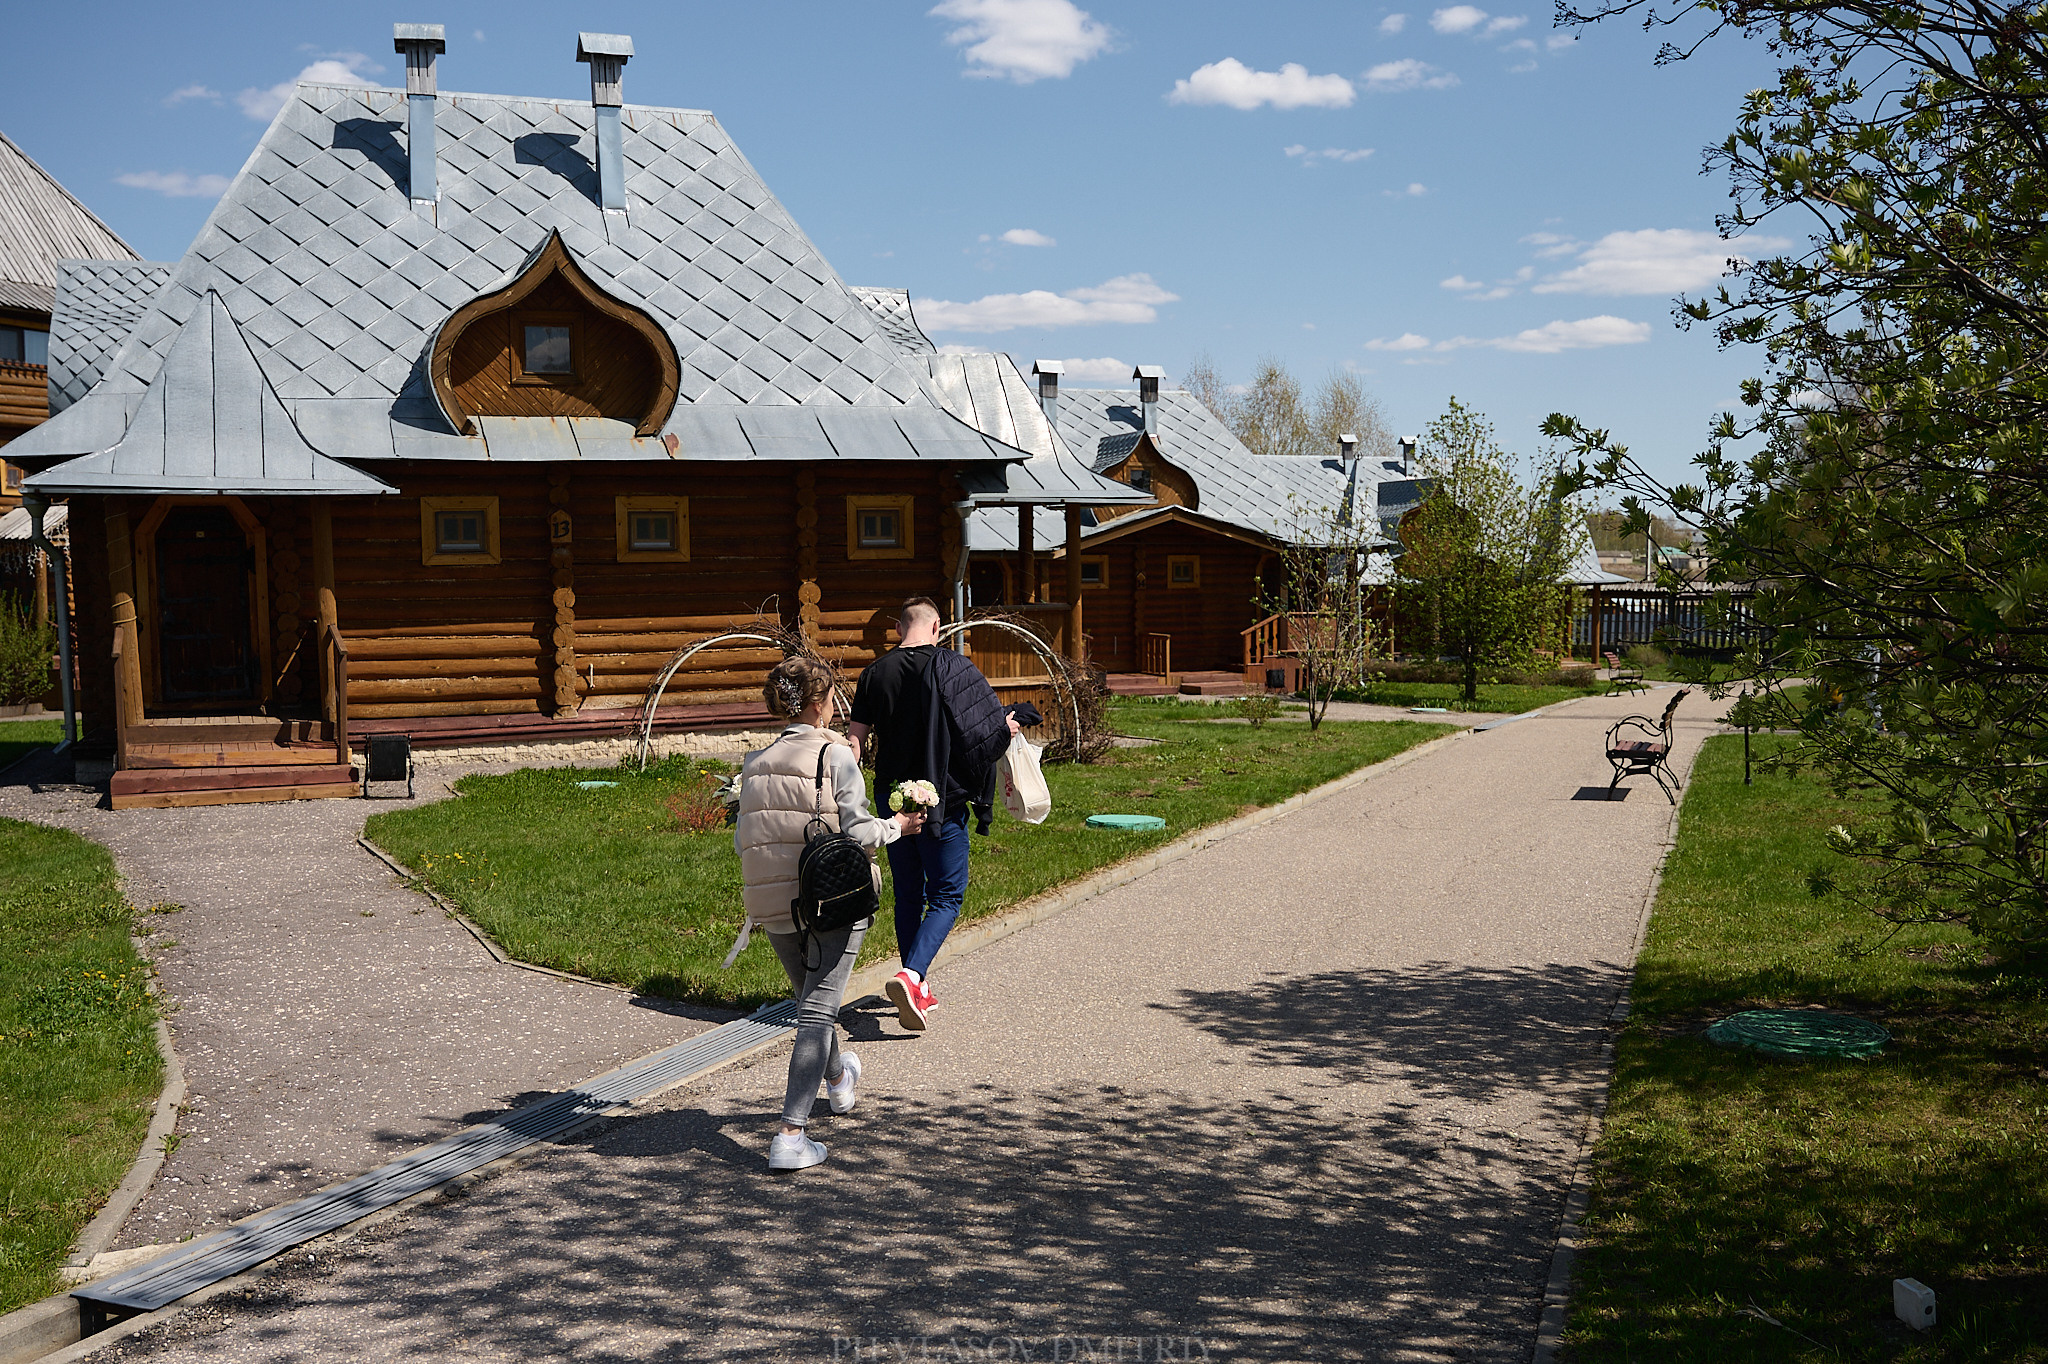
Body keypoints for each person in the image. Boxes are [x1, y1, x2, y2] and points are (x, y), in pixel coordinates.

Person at [731, 655, 923, 1172]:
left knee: (815, 1000)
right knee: (816, 1010)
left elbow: (741, 840)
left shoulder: (753, 764)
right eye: (834, 697)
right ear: (821, 703)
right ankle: (791, 1134)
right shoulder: (834, 758)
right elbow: (859, 834)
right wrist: (898, 826)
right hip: (830, 899)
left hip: (770, 906)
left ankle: (839, 1082)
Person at [847, 597, 1018, 1032]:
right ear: (937, 626)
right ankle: (911, 974)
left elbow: (854, 742)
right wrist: (1008, 728)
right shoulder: (953, 667)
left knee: (908, 894)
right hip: (941, 795)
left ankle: (917, 988)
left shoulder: (873, 673)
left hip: (893, 798)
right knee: (946, 895)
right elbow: (982, 732)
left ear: (898, 628)